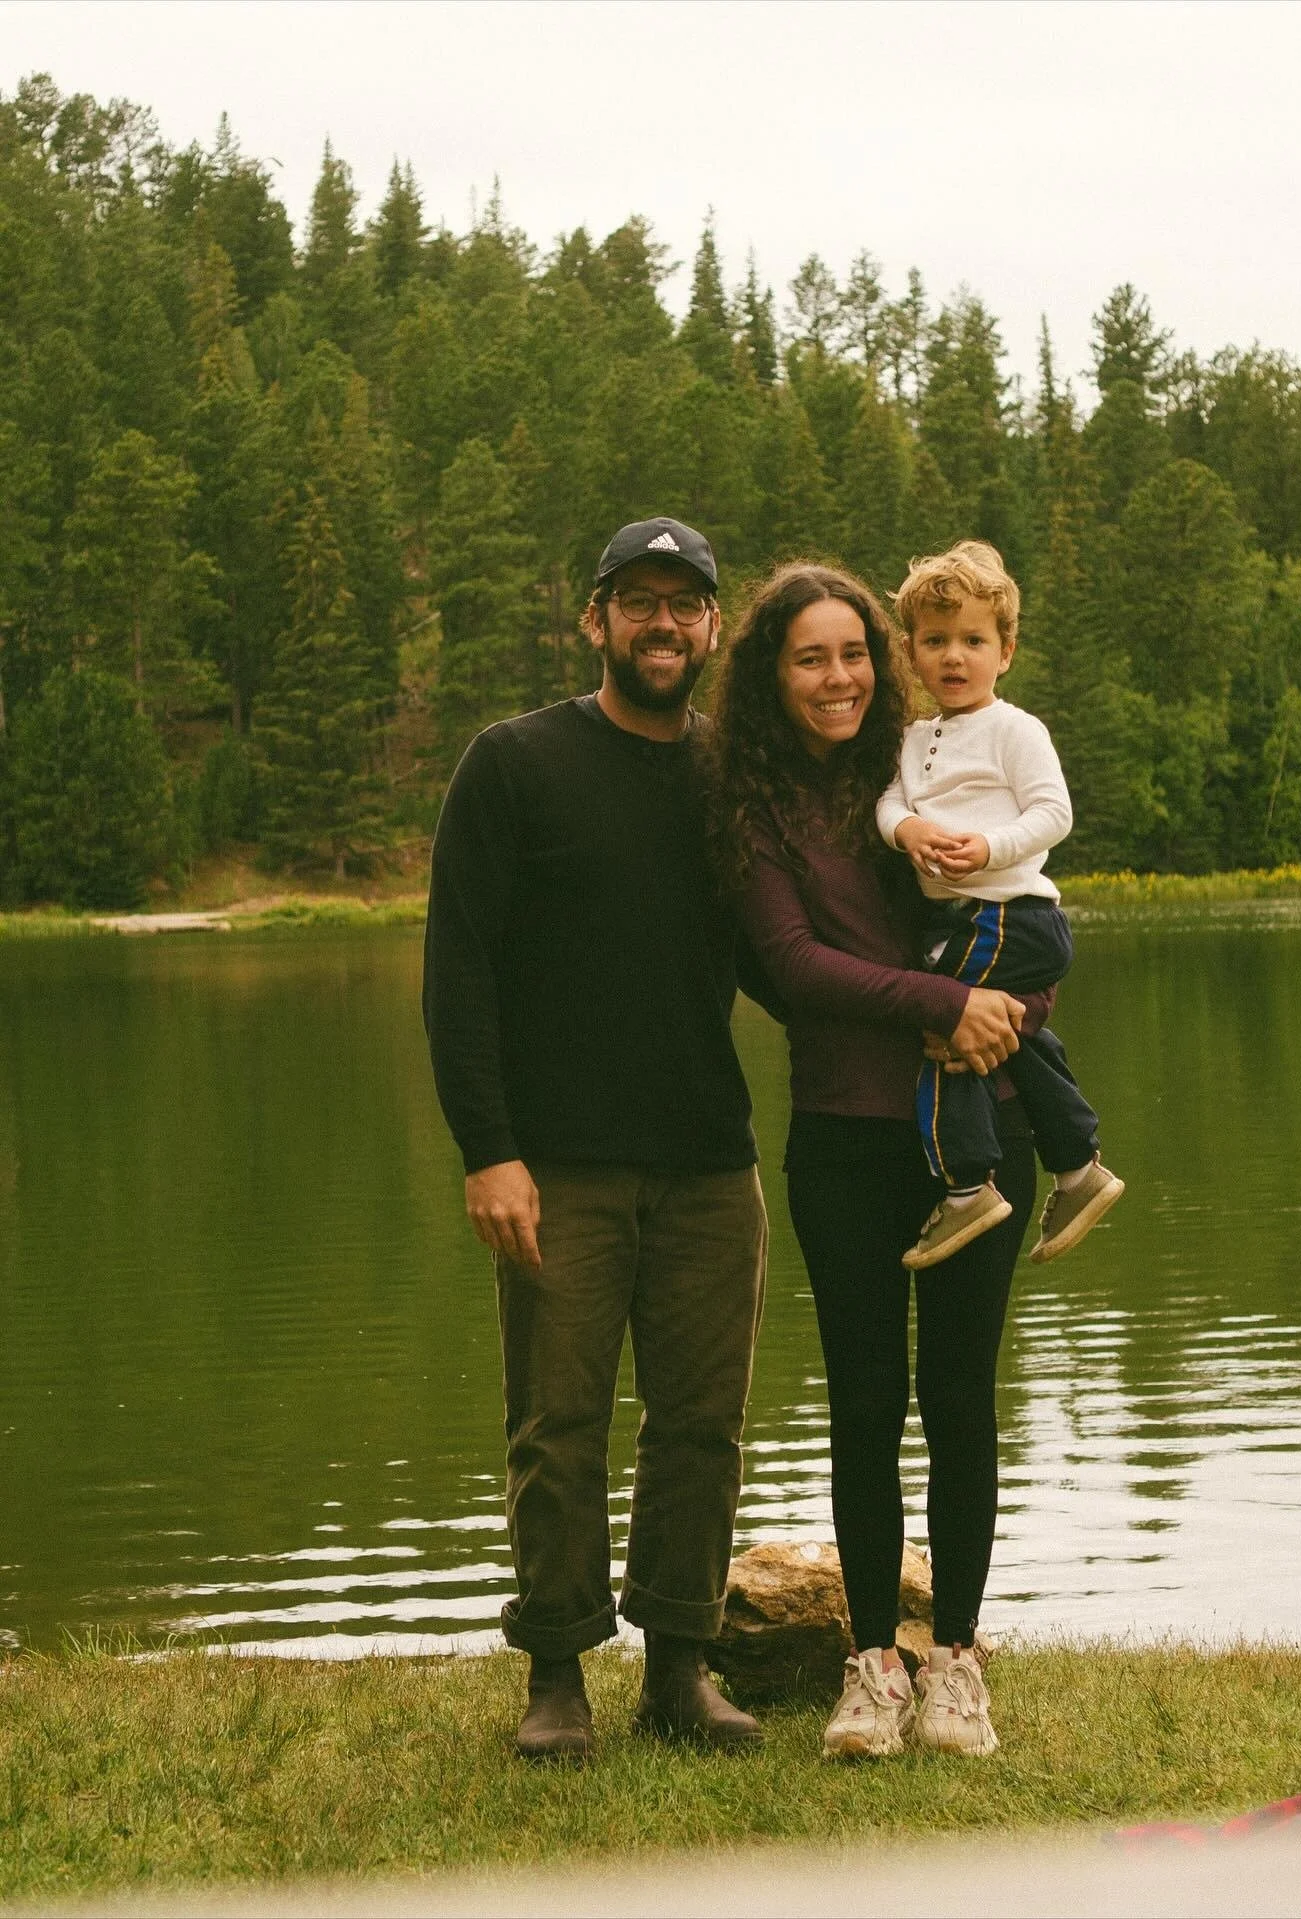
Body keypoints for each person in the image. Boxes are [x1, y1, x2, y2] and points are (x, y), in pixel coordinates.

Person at [423, 516, 767, 1763]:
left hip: (708, 1163)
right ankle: (558, 1673)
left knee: (701, 1423)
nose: (662, 623)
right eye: (639, 601)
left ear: (715, 627)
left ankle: (681, 1666)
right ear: (594, 620)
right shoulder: (512, 765)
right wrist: (487, 1146)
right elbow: (457, 973)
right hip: (553, 1165)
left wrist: (924, 1004)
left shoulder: (732, 775)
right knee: (554, 1420)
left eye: (685, 603)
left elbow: (785, 952)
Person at [708, 561, 1049, 1761]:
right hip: (846, 1134)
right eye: (811, 657)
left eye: (855, 653)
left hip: (977, 1127)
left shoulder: (934, 757)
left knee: (962, 1399)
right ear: (772, 672)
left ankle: (954, 1660)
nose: (840, 676)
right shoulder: (751, 809)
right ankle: (870, 1667)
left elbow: (1028, 907)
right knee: (864, 1399)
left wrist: (1006, 1004)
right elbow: (792, 965)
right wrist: (939, 1003)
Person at [877, 539, 1124, 1271]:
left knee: (943, 1012)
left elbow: (1054, 814)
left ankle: (966, 1187)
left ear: (1005, 650)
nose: (955, 657)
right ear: (913, 653)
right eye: (936, 641)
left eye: (974, 641)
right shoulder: (911, 737)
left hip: (1008, 912)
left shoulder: (1016, 730)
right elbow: (888, 803)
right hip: (973, 918)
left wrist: (989, 850)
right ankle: (1079, 1166)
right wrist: (909, 828)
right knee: (1011, 1032)